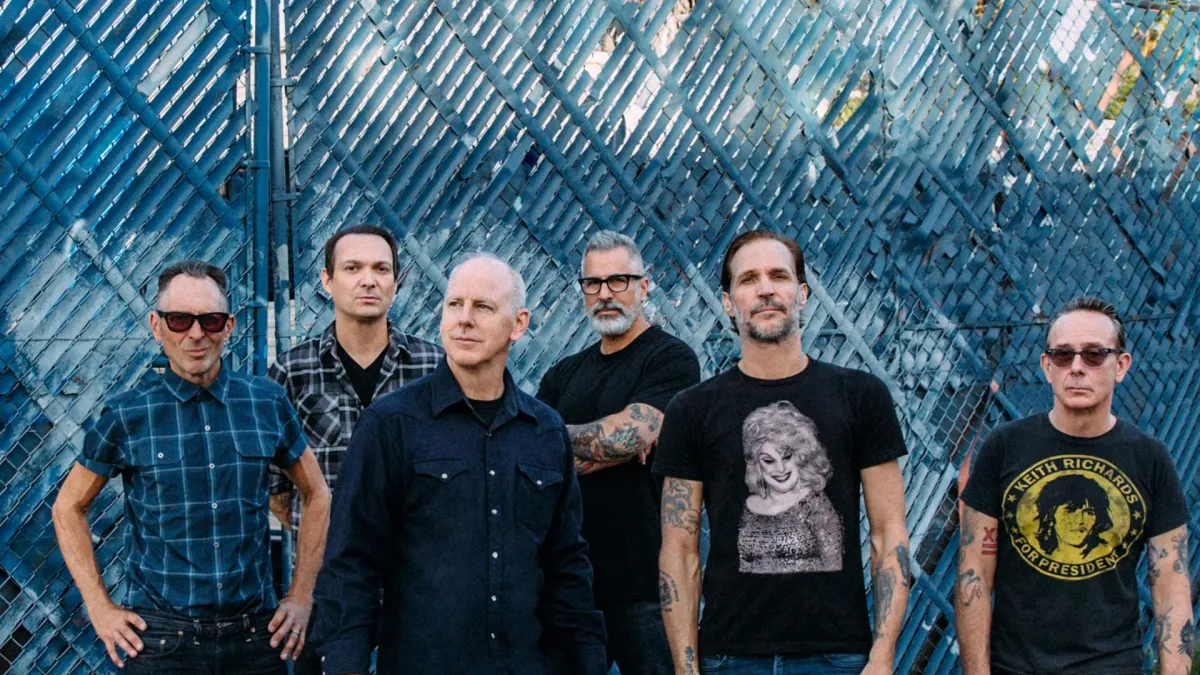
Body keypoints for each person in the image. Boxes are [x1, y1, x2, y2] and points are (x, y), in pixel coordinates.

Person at [312, 253, 607, 675]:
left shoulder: (545, 431)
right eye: (455, 304)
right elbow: (350, 565)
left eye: (482, 307)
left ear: (518, 324)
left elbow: (567, 568)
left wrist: (588, 662)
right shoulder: (392, 424)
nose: (464, 319)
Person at [51, 260, 330, 674]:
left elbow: (317, 493)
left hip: (255, 637)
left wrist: (302, 596)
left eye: (210, 320)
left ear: (229, 326)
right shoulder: (128, 414)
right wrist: (98, 607)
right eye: (180, 320)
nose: (196, 334)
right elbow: (68, 506)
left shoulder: (266, 403)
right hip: (163, 641)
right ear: (156, 325)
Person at [653, 230, 912, 675]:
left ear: (803, 293)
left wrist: (883, 654)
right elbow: (679, 551)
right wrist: (686, 667)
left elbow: (889, 534)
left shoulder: (860, 396)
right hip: (728, 659)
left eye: (778, 276)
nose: (765, 289)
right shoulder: (692, 410)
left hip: (838, 658)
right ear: (728, 303)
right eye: (748, 279)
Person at [957, 296, 1193, 675]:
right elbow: (975, 575)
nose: (1077, 367)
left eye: (1094, 355)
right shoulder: (1004, 447)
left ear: (1121, 365)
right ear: (1047, 366)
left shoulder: (1150, 459)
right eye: (1064, 355)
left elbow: (1171, 587)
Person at [266, 225, 441, 675]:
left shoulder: (434, 368)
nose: (368, 280)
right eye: (352, 268)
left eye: (381, 269)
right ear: (327, 280)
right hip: (326, 594)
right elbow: (277, 491)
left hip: (418, 592)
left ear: (397, 282)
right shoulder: (292, 372)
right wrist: (333, 534)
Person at [538, 230, 700, 674]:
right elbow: (534, 459)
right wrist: (613, 447)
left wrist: (617, 442)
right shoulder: (563, 374)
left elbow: (631, 434)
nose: (605, 294)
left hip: (646, 588)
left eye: (618, 281)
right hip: (570, 586)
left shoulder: (671, 359)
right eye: (593, 283)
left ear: (643, 286)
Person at [737, 401, 841, 574]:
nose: (780, 469)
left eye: (787, 457)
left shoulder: (815, 505)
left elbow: (833, 565)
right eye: (768, 461)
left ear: (801, 456)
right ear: (757, 465)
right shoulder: (748, 507)